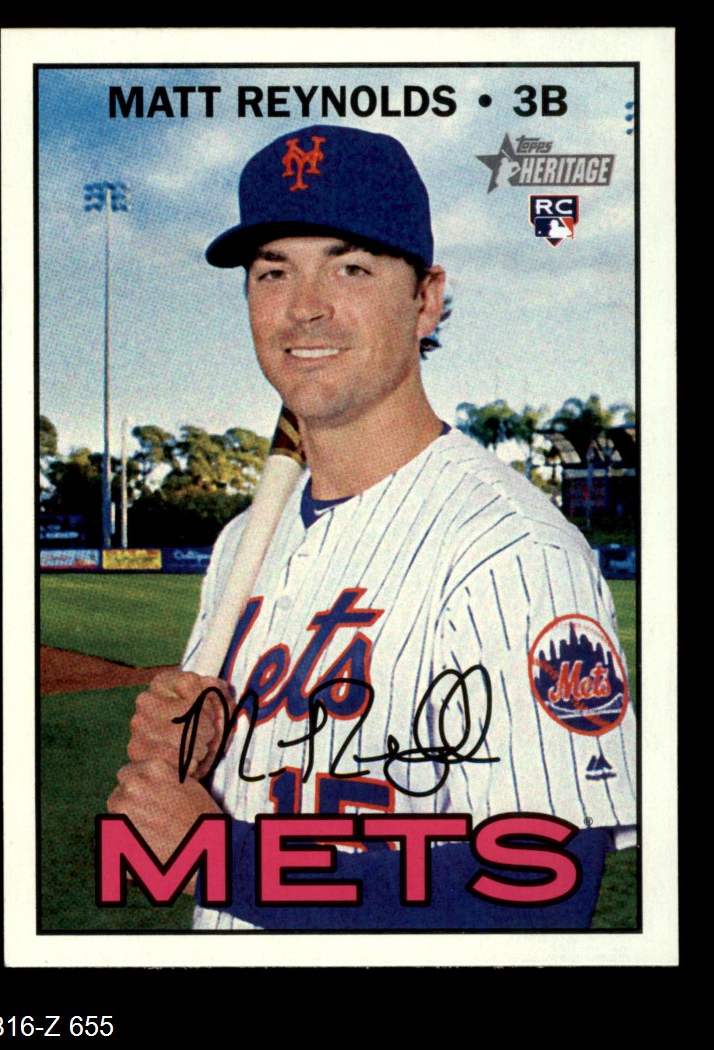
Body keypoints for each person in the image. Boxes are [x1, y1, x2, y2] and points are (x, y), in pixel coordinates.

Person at [108, 124, 637, 931]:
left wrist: (222, 860)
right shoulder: (242, 542)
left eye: (349, 267)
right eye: (272, 272)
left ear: (425, 299)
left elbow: (547, 886)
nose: (303, 307)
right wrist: (202, 757)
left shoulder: (512, 552)